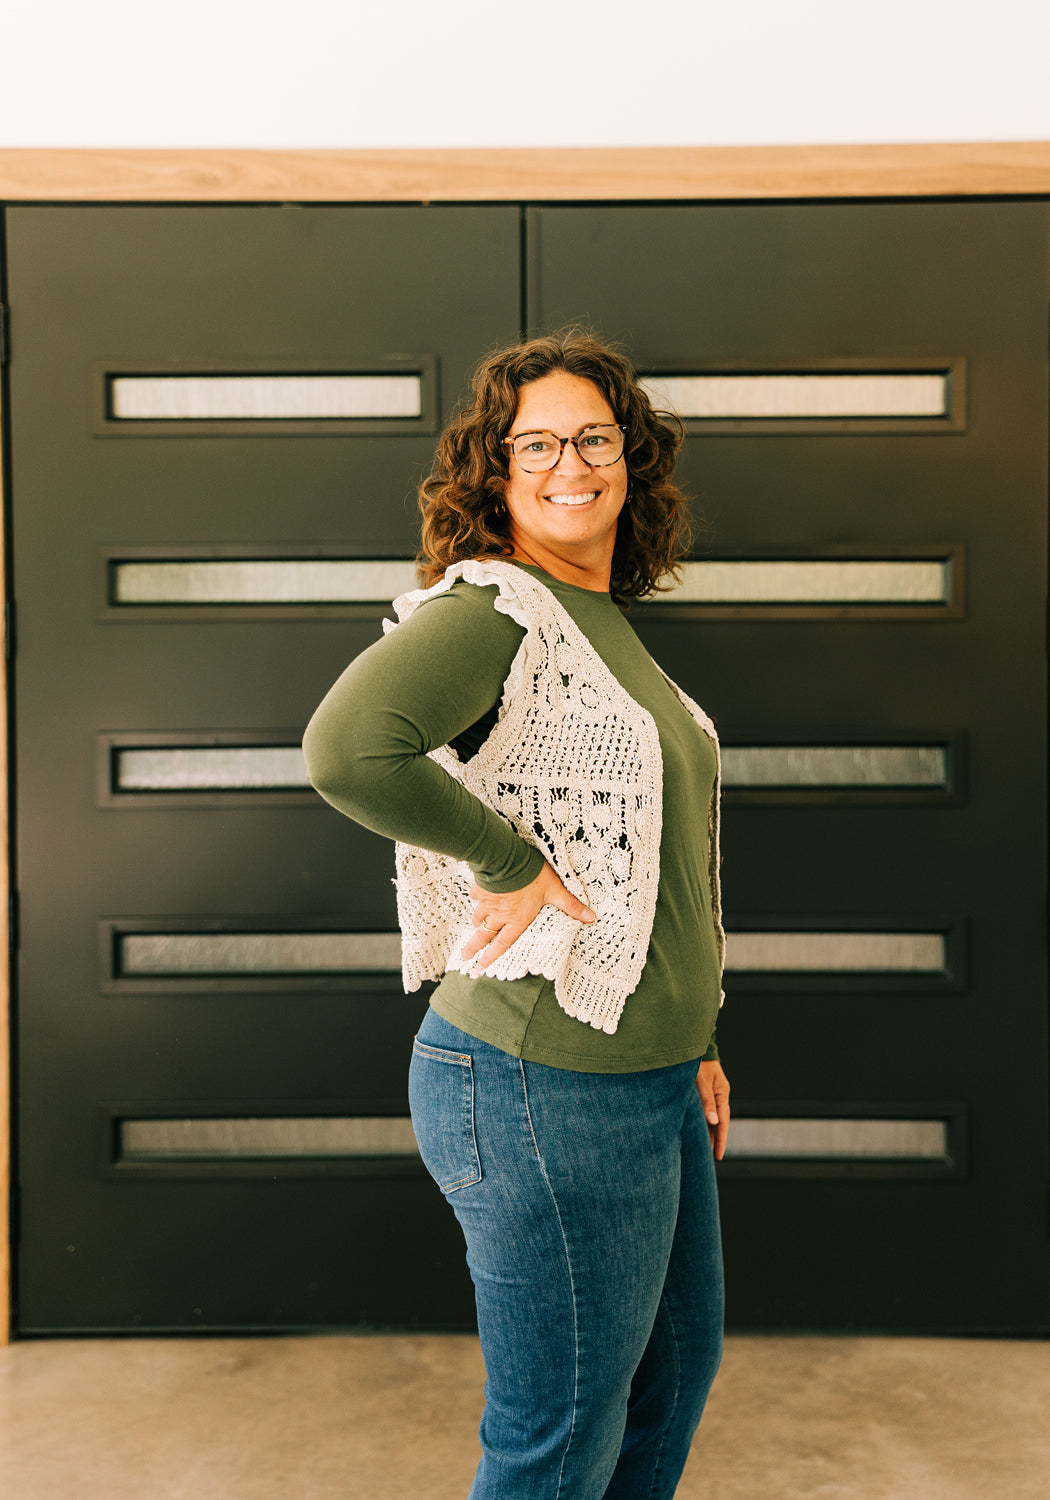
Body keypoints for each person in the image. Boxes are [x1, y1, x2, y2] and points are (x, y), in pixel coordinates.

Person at [303, 331, 730, 1499]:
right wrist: (504, 862)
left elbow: (658, 878)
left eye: (595, 436)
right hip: (542, 1084)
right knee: (558, 1436)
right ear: (494, 473)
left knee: (670, 1381)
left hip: (648, 1082)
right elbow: (346, 750)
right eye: (532, 443)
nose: (568, 463)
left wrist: (693, 1042)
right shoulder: (497, 607)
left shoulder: (601, 625)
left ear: (630, 458)